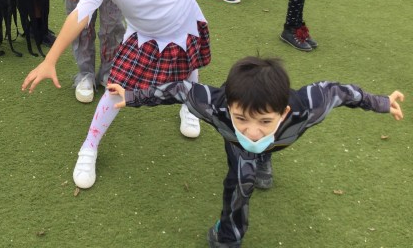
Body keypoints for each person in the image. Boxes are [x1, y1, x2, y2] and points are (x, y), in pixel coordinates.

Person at [22, 0, 243, 189]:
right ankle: (89, 146)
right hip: (144, 36)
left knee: (190, 66)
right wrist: (50, 60)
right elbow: (80, 14)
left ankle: (189, 108)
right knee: (116, 88)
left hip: (186, 23)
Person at [107, 56, 405, 248]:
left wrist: (380, 102)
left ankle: (265, 160)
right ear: (229, 108)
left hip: (281, 138)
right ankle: (228, 238)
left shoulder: (306, 109)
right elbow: (179, 90)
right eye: (242, 118)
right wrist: (133, 96)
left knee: (261, 149)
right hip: (233, 143)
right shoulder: (216, 106)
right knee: (240, 180)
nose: (251, 131)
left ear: (284, 112)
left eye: (264, 121)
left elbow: (340, 91)